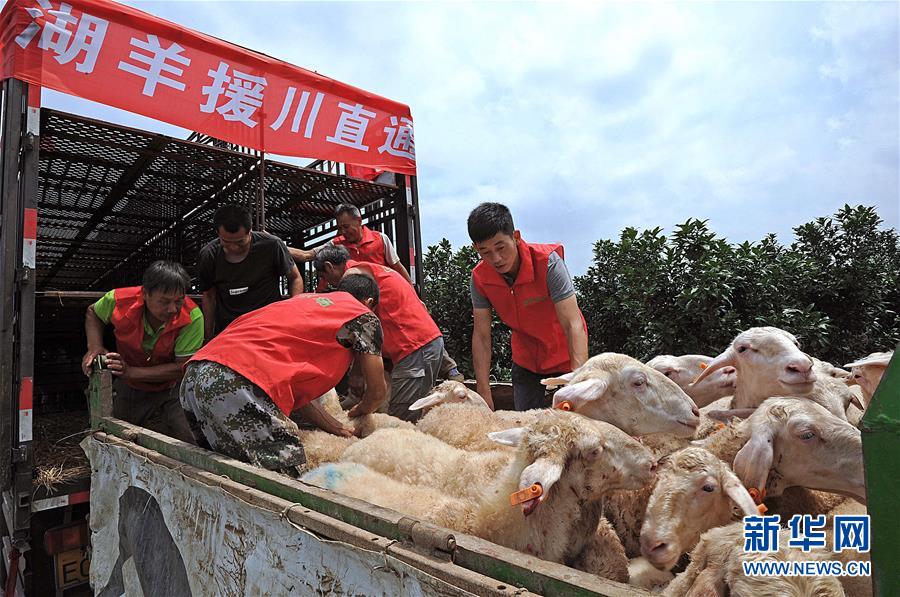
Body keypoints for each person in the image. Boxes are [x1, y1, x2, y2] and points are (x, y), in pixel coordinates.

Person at [180, 274, 387, 475]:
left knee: (232, 472)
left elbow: (289, 389)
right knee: (286, 482)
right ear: (369, 302)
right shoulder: (362, 314)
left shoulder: (304, 304)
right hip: (236, 383)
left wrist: (335, 426)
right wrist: (359, 412)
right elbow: (377, 391)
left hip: (196, 376)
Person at [291, 203, 464, 382]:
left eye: (346, 226)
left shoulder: (380, 239)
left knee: (413, 328)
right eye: (339, 227)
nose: (342, 231)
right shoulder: (335, 245)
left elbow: (398, 267)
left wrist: (414, 295)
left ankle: (450, 369)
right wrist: (273, 243)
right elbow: (306, 255)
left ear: (359, 221)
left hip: (385, 298)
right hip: (364, 303)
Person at [468, 202, 588, 411]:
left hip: (566, 355)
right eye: (485, 252)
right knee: (525, 424)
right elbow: (481, 336)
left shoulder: (548, 262)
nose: (495, 259)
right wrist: (484, 390)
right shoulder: (479, 278)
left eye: (500, 247)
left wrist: (578, 379)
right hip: (527, 359)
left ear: (516, 236)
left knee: (577, 419)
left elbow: (572, 323)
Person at [315, 245, 444, 421]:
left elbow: (360, 326)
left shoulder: (352, 278)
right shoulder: (368, 269)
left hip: (413, 347)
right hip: (423, 343)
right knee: (414, 415)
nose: (328, 283)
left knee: (400, 421)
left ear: (330, 267)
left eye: (324, 277)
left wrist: (357, 373)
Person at [81, 261, 199, 442]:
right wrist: (95, 346)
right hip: (131, 385)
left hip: (174, 387)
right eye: (164, 301)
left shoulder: (193, 316)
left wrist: (131, 372)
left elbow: (181, 367)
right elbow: (93, 313)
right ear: (145, 293)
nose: (173, 309)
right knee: (110, 435)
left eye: (178, 301)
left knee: (192, 440)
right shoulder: (118, 300)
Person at [198, 204, 303, 340]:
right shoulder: (208, 255)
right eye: (226, 242)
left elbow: (295, 278)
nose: (234, 247)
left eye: (240, 242)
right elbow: (209, 296)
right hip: (230, 331)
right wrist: (208, 337)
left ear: (250, 231)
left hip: (269, 327)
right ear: (218, 234)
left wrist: (292, 312)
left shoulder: (271, 245)